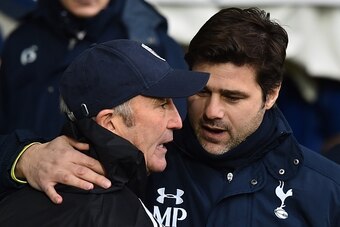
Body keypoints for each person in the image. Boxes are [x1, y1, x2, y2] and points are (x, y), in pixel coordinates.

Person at [2, 7, 340, 227]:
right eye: (202, 92)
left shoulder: (326, 191)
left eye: (233, 97)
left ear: (272, 94)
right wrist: (23, 157)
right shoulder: (138, 158)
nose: (212, 112)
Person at [0, 39, 209, 226]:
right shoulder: (120, 215)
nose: (176, 121)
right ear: (109, 123)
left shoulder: (12, 199)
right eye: (162, 104)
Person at [0, 0, 188, 138]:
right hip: (19, 182)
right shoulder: (22, 38)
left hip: (108, 186)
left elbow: (173, 126)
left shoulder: (148, 39)